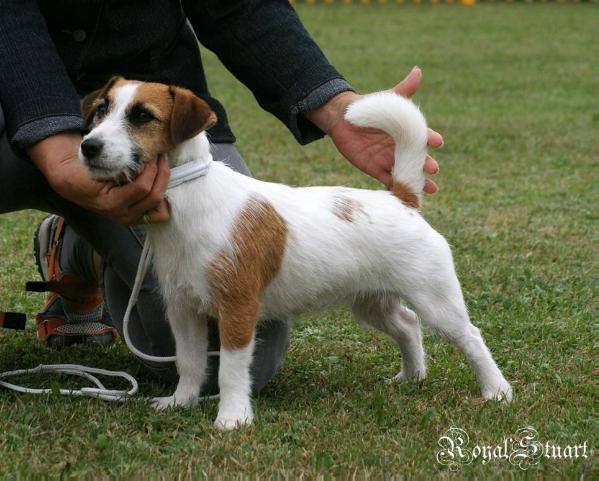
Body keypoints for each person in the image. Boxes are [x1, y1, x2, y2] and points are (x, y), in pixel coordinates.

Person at [0, 0, 442, 393]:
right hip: (9, 118)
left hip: (160, 137)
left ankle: (81, 248)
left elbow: (240, 7)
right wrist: (55, 149)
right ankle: (94, 232)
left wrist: (330, 103)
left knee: (216, 360)